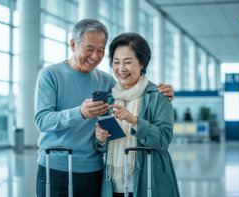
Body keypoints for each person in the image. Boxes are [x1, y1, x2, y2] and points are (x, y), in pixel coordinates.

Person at [34, 19, 174, 197]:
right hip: (56, 167)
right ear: (72, 44)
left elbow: (132, 93)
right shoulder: (50, 75)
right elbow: (42, 121)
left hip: (96, 172)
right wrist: (80, 113)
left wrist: (164, 92)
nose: (95, 56)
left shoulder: (107, 83)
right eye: (89, 48)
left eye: (100, 50)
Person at [94, 33, 180, 197]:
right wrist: (101, 138)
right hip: (114, 185)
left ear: (142, 63)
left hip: (149, 182)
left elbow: (163, 139)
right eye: (116, 62)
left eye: (128, 62)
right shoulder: (111, 97)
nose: (121, 69)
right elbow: (103, 146)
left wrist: (134, 120)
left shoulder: (159, 96)